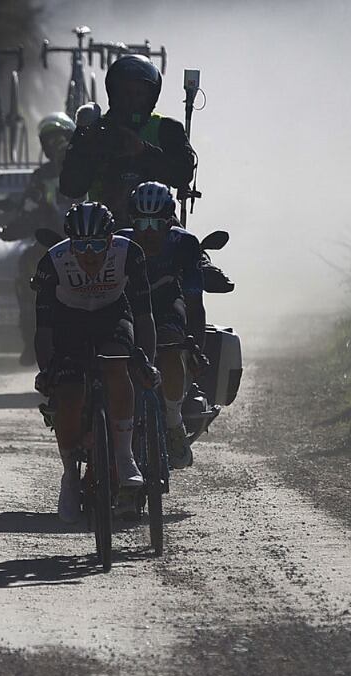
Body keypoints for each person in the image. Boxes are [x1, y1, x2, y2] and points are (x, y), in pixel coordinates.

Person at [32, 201, 158, 522]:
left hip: (112, 315)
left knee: (118, 364)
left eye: (98, 245)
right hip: (68, 321)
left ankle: (124, 456)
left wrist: (146, 359)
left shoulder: (129, 254)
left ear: (111, 240)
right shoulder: (52, 262)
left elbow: (144, 316)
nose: (89, 254)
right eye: (81, 246)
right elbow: (43, 329)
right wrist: (47, 372)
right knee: (68, 390)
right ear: (69, 243)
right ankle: (70, 478)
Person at [126, 181, 211, 470]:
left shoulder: (184, 244)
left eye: (156, 223)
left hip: (166, 306)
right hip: (129, 309)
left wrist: (195, 347)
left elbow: (194, 305)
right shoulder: (119, 245)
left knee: (173, 349)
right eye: (141, 222)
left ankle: (173, 423)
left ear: (169, 222)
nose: (148, 231)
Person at [59, 54, 196, 220]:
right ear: (113, 94)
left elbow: (183, 174)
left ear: (151, 96)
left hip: (157, 229)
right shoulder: (95, 130)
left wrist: (143, 151)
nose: (132, 100)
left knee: (188, 245)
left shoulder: (167, 129)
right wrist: (86, 146)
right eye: (125, 93)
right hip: (101, 232)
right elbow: (71, 188)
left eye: (139, 94)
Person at [1, 112, 76, 364]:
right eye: (49, 140)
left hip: (93, 240)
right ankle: (32, 338)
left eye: (60, 138)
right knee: (27, 270)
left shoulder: (92, 166)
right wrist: (14, 228)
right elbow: (30, 210)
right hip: (53, 243)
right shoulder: (42, 176)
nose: (56, 145)